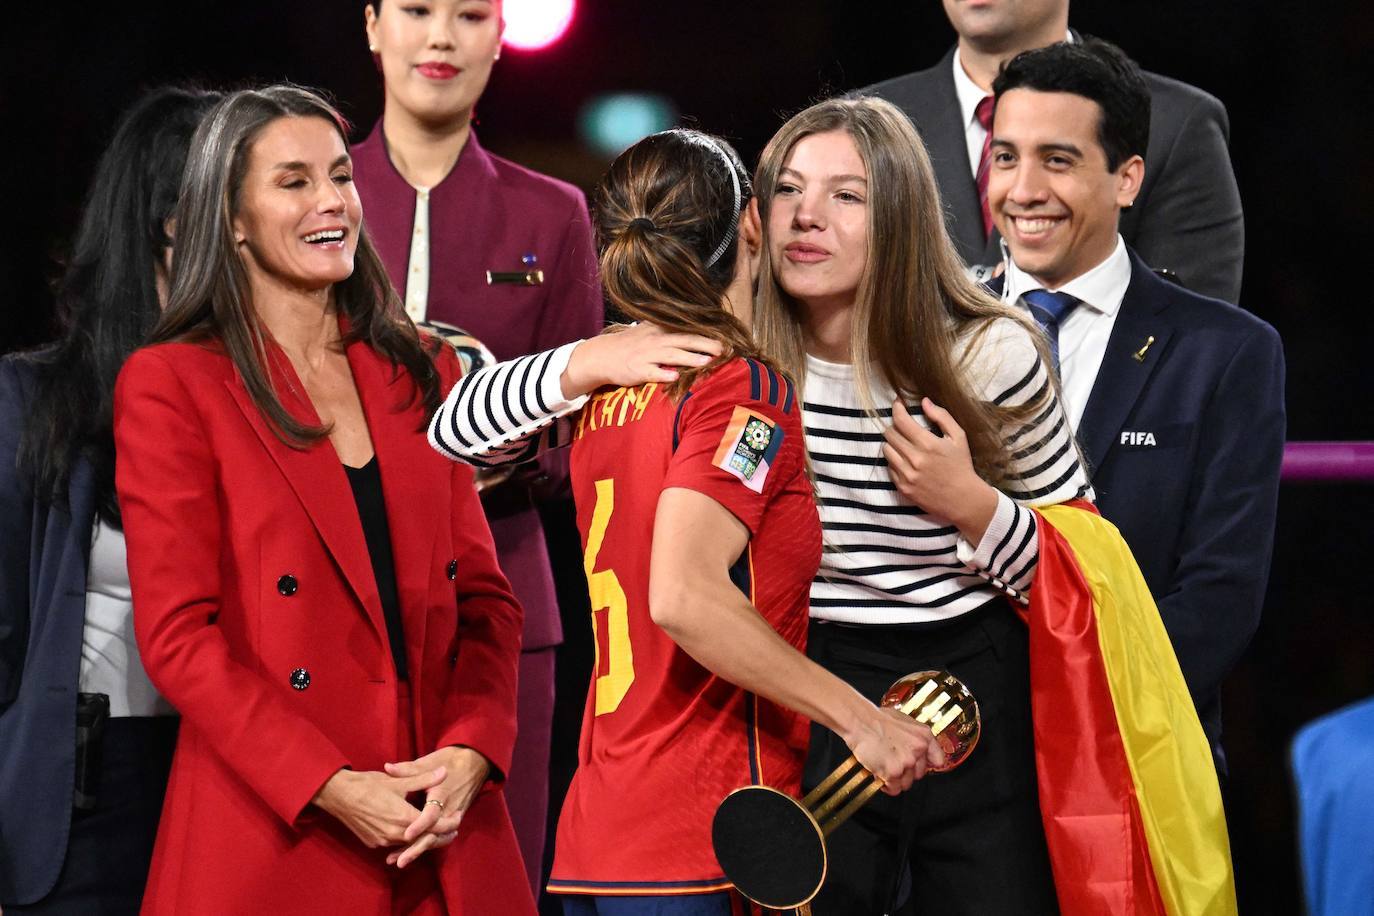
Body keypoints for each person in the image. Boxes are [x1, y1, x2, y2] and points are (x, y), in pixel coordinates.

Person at [428, 128, 944, 914]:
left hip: (597, 838)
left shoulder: (618, 384)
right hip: (704, 838)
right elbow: (685, 597)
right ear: (748, 227)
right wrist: (863, 722)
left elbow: (449, 433)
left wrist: (585, 364)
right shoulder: (740, 389)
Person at [112, 85, 532, 915]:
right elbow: (177, 637)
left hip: (440, 826)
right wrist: (330, 784)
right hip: (280, 826)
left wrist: (475, 750)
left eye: (340, 176)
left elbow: (486, 603)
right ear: (229, 219)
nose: (332, 201)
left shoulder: (421, 368)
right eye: (294, 181)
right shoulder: (172, 384)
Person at [746, 95, 1093, 914]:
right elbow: (465, 434)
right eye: (788, 191)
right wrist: (597, 357)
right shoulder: (743, 358)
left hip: (977, 674)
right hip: (808, 678)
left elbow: (1079, 576)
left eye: (846, 196)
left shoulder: (989, 351)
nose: (807, 218)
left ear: (899, 214)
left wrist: (971, 505)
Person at [353, 1, 604, 889]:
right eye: (416, 10)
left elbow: (584, 435)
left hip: (502, 583)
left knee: (494, 878)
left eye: (469, 14)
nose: (441, 37)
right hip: (336, 588)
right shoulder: (315, 194)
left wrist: (504, 446)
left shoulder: (556, 212)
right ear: (373, 24)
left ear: (502, 36)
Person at [984, 38, 1285, 774]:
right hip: (952, 772)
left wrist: (1073, 713)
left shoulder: (1227, 351)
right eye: (1005, 157)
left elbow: (1219, 596)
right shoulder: (921, 327)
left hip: (1134, 758)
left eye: (1057, 160)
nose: (1023, 190)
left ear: (1128, 180)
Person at [0, 85, 220, 914]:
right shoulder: (31, 399)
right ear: (171, 219)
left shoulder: (284, 402)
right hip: (83, 796)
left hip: (238, 780)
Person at [867, 0, 1245, 302]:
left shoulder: (1176, 124)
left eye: (1058, 160)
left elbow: (1193, 354)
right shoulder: (861, 125)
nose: (1025, 192)